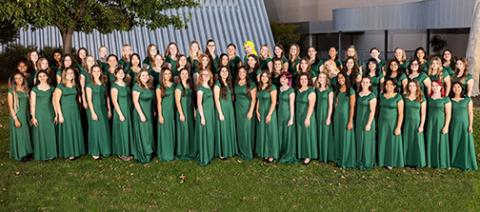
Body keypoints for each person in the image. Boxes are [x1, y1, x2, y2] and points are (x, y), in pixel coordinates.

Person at [54, 68, 85, 160]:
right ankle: (69, 152)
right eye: (68, 73)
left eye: (72, 73)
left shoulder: (75, 86)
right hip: (65, 111)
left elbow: (78, 98)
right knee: (68, 130)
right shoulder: (60, 86)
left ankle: (77, 150)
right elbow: (56, 101)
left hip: (75, 110)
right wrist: (60, 115)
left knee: (75, 129)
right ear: (64, 74)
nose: (70, 74)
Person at [449, 82, 478, 171]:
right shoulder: (449, 100)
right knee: (454, 142)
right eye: (454, 87)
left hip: (464, 125)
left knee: (464, 143)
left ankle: (465, 162)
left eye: (458, 87)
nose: (456, 89)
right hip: (453, 124)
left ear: (462, 88)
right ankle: (453, 162)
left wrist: (470, 125)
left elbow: (470, 113)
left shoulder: (467, 100)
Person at [86, 65, 112, 159]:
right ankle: (95, 151)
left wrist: (109, 110)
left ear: (100, 72)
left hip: (103, 108)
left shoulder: (103, 83)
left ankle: (105, 150)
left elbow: (107, 97)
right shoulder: (89, 85)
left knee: (104, 129)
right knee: (95, 129)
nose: (96, 73)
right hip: (95, 108)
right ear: (91, 73)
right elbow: (89, 100)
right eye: (94, 71)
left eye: (98, 71)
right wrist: (92, 112)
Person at [30, 70, 57, 160]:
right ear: (37, 78)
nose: (42, 78)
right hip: (39, 114)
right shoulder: (34, 89)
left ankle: (51, 154)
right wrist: (33, 117)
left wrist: (56, 114)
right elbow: (33, 104)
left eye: (44, 76)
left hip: (49, 113)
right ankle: (42, 154)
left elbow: (54, 102)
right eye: (40, 76)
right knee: (40, 133)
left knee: (50, 132)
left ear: (47, 77)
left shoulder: (52, 88)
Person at [378, 79, 405, 169]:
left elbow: (401, 114)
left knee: (391, 142)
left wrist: (398, 127)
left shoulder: (398, 97)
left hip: (393, 123)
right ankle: (382, 160)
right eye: (386, 84)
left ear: (394, 86)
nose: (388, 86)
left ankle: (391, 161)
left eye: (390, 84)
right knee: (383, 141)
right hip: (382, 122)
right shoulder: (381, 96)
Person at [425, 80, 451, 169]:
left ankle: (442, 162)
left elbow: (448, 114)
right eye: (433, 86)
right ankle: (431, 162)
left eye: (437, 86)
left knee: (441, 141)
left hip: (440, 123)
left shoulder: (445, 99)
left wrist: (446, 126)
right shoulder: (429, 98)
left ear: (441, 87)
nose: (435, 87)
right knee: (431, 140)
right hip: (430, 122)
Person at [213, 66, 238, 159]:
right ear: (219, 73)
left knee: (228, 128)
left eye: (226, 71)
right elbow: (216, 100)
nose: (224, 72)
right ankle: (222, 152)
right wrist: (220, 113)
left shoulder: (228, 83)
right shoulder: (217, 84)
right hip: (222, 109)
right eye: (222, 71)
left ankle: (230, 149)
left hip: (229, 108)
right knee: (222, 129)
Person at [333, 72, 356, 168]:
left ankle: (346, 159)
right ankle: (338, 157)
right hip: (337, 116)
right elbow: (336, 104)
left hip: (346, 117)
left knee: (345, 137)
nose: (340, 79)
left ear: (346, 78)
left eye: (342, 77)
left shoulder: (351, 91)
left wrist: (350, 121)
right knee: (338, 136)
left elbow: (352, 107)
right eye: (338, 78)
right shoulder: (337, 90)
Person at [255, 70, 279, 163]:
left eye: (266, 76)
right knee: (263, 132)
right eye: (262, 76)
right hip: (261, 111)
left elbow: (273, 102)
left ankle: (271, 154)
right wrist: (257, 111)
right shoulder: (261, 86)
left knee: (270, 132)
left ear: (269, 78)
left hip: (269, 111)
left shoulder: (272, 87)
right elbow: (259, 99)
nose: (264, 78)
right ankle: (265, 152)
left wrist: (269, 114)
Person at [8, 73, 32, 161]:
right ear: (14, 80)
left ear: (23, 78)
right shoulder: (12, 91)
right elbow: (10, 107)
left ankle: (27, 152)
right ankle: (21, 154)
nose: (19, 80)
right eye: (16, 78)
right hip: (17, 115)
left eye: (20, 78)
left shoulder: (26, 89)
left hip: (25, 114)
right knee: (20, 135)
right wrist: (15, 119)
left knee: (26, 133)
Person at [131, 69, 154, 163]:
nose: (145, 77)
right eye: (143, 75)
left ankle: (149, 151)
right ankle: (143, 153)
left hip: (148, 112)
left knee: (148, 132)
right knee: (143, 133)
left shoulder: (149, 86)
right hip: (140, 112)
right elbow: (135, 102)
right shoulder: (137, 86)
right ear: (139, 77)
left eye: (147, 75)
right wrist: (141, 114)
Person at [110, 67, 133, 161]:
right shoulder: (114, 86)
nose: (121, 74)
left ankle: (128, 150)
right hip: (121, 110)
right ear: (115, 74)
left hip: (128, 109)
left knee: (127, 130)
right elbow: (114, 102)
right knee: (122, 131)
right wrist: (120, 114)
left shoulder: (125, 84)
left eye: (122, 72)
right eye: (119, 73)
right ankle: (122, 152)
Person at [234, 66, 257, 160]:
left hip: (247, 108)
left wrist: (251, 111)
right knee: (240, 130)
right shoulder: (236, 83)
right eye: (240, 72)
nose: (241, 74)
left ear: (246, 73)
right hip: (238, 108)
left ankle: (248, 151)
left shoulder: (251, 84)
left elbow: (254, 99)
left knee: (246, 129)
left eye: (243, 72)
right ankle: (241, 149)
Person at [403, 80, 427, 168]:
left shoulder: (421, 98)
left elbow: (423, 114)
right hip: (407, 122)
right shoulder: (405, 97)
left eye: (413, 86)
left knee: (417, 141)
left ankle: (417, 162)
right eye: (410, 86)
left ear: (417, 87)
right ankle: (407, 161)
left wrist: (421, 126)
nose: (412, 87)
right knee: (407, 140)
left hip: (416, 122)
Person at [295, 72, 317, 165]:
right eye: (301, 79)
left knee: (307, 134)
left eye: (305, 79)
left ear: (308, 80)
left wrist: (307, 117)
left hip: (307, 115)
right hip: (298, 114)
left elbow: (311, 106)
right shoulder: (298, 90)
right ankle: (301, 153)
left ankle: (308, 155)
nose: (303, 81)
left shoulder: (311, 90)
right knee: (301, 134)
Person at [195, 69, 216, 165]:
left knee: (210, 132)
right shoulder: (200, 88)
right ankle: (205, 155)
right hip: (204, 113)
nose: (206, 76)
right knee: (205, 133)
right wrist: (202, 117)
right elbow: (199, 104)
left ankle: (210, 152)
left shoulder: (209, 86)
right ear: (201, 76)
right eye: (204, 74)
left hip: (210, 112)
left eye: (207, 74)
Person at [355, 77, 377, 169]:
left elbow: (372, 111)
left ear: (370, 84)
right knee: (359, 140)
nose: (364, 83)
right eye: (363, 82)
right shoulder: (358, 94)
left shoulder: (372, 95)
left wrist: (368, 124)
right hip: (359, 120)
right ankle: (359, 159)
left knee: (367, 141)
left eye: (367, 82)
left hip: (368, 121)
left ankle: (367, 161)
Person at [156, 68, 176, 161]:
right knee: (165, 131)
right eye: (165, 74)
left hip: (172, 110)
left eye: (169, 73)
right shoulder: (159, 87)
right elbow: (159, 102)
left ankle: (172, 151)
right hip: (164, 111)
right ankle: (165, 153)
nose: (167, 75)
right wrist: (160, 115)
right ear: (162, 75)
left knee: (172, 130)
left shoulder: (174, 85)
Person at [175, 68, 195, 159]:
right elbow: (177, 101)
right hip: (182, 110)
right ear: (180, 75)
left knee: (189, 129)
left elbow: (192, 99)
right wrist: (181, 114)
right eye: (182, 73)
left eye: (186, 73)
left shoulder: (189, 85)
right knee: (184, 130)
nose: (184, 75)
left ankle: (191, 150)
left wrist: (194, 110)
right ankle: (183, 151)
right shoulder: (178, 87)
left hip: (189, 110)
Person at [277, 72, 296, 163]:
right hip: (279, 113)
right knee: (280, 132)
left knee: (287, 133)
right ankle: (280, 151)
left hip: (287, 113)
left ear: (288, 80)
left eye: (284, 78)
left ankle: (288, 154)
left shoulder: (291, 90)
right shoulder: (279, 89)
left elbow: (292, 105)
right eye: (281, 78)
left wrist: (291, 118)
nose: (282, 80)